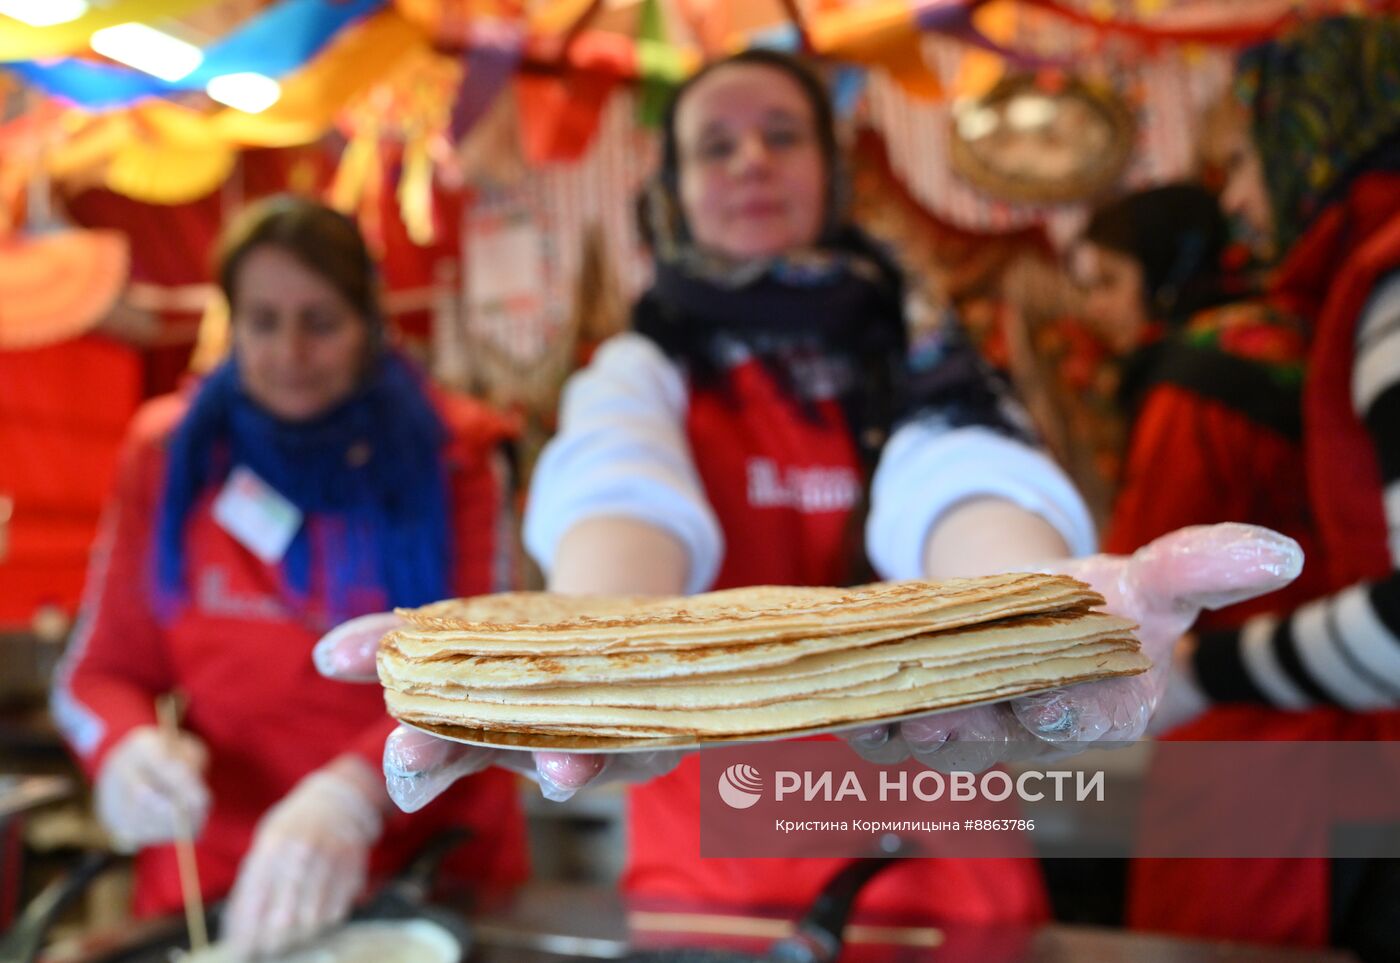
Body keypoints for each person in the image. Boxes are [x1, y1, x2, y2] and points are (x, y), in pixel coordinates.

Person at [315, 50, 1299, 939]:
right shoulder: (639, 368)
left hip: (937, 863)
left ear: (829, 173)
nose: (751, 160)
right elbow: (619, 491)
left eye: (782, 135)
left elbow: (957, 475)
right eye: (716, 145)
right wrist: (586, 642)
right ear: (675, 189)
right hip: (712, 875)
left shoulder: (918, 350)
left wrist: (1038, 610)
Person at [50, 196, 528, 957]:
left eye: (321, 321)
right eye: (263, 321)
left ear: (371, 323)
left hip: (425, 877)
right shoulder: (170, 456)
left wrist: (355, 791)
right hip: (215, 891)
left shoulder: (456, 454)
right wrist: (125, 749)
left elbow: (487, 676)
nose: (290, 351)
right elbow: (98, 673)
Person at [1125, 16, 1400, 960]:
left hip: (1269, 783)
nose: (1238, 200)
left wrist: (1201, 675)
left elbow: (1142, 594)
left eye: (1242, 161)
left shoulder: (1379, 289)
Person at [1074, 183, 1326, 624]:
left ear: (1165, 275)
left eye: (1109, 282)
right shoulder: (1273, 329)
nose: (1093, 308)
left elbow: (1142, 565)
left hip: (1245, 653)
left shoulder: (1188, 388)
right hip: (1326, 626)